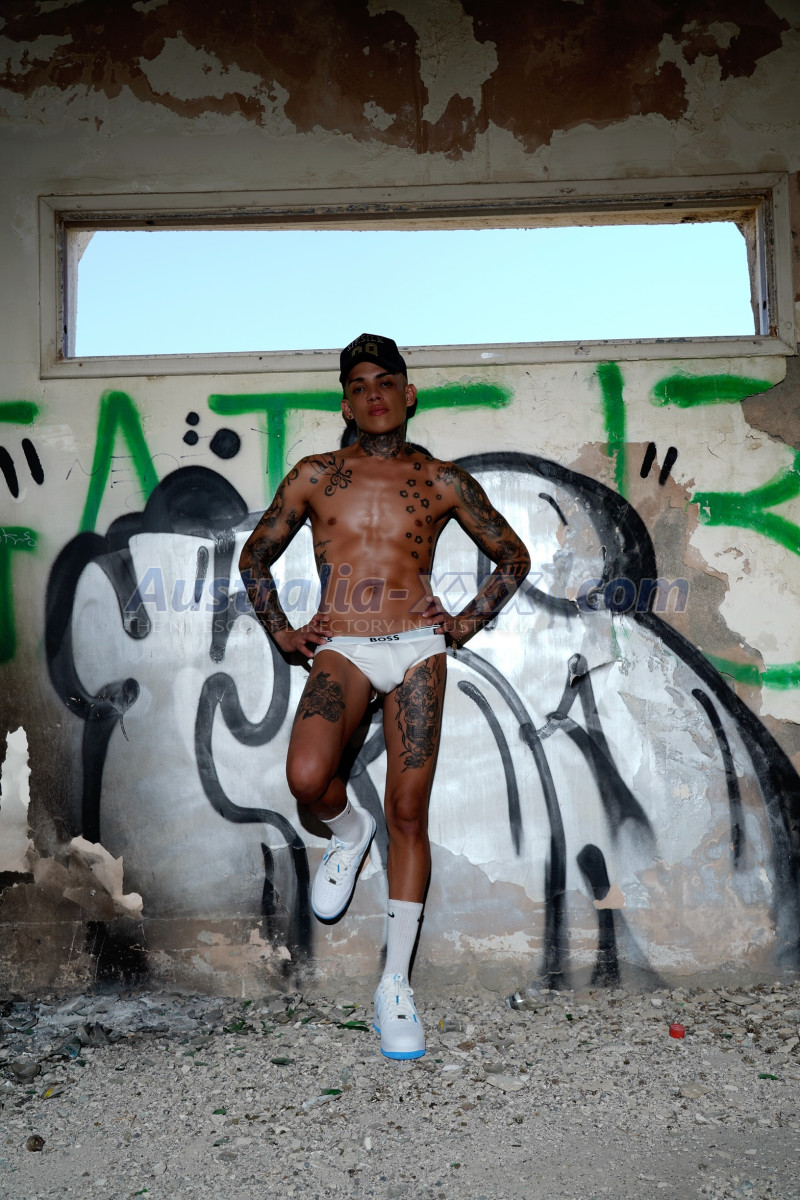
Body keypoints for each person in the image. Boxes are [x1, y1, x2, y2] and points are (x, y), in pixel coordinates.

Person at [239, 333, 530, 1060]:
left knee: (408, 810)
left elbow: (513, 556)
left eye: (386, 382)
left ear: (409, 393)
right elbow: (255, 556)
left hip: (419, 648)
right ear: (346, 402)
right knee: (307, 777)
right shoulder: (315, 474)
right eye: (359, 385)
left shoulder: (443, 479)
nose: (374, 394)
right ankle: (347, 833)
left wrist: (464, 622)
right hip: (344, 644)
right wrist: (283, 631)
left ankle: (394, 985)